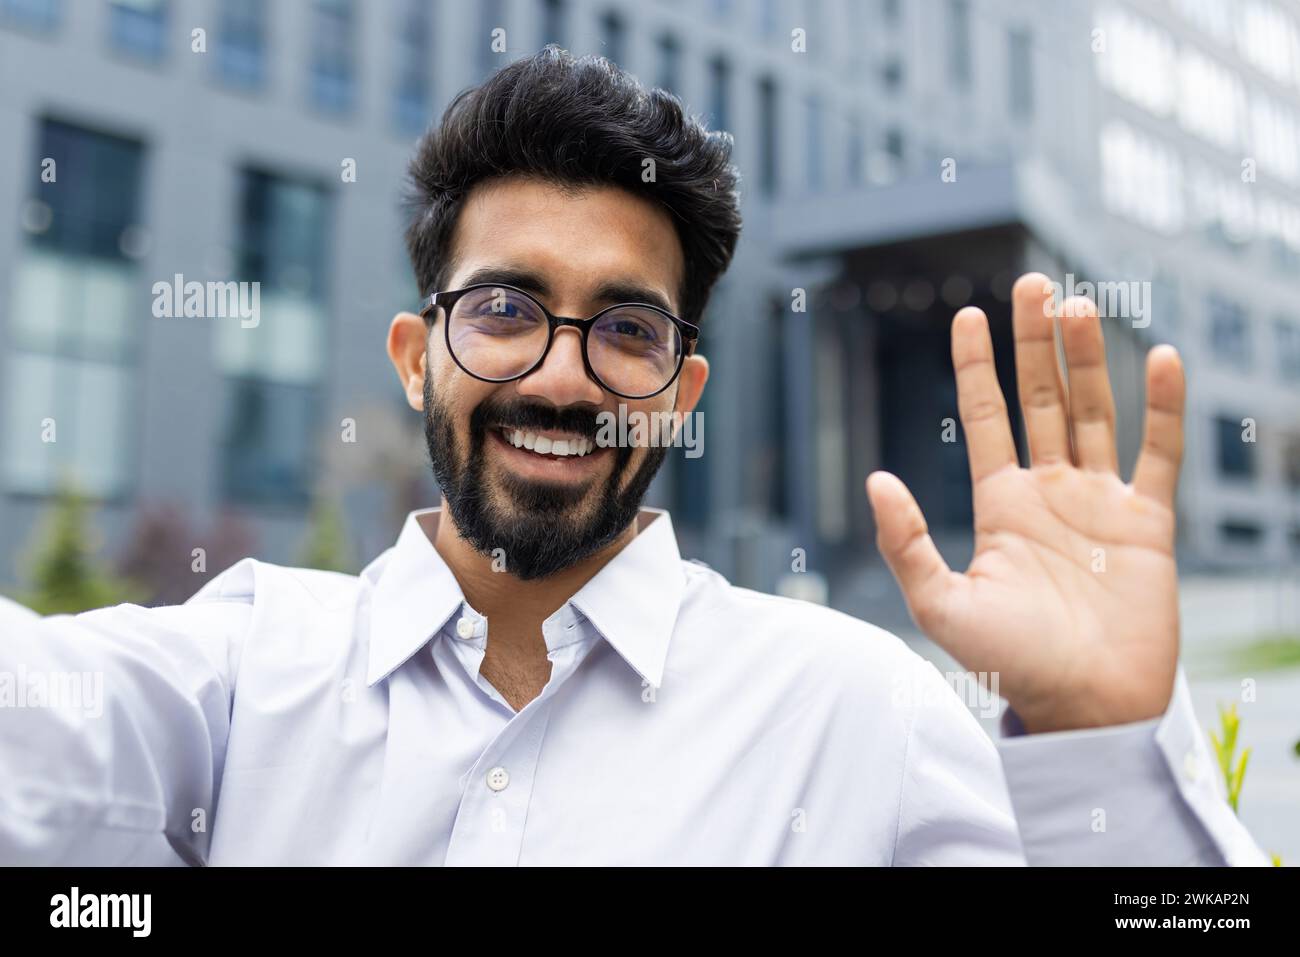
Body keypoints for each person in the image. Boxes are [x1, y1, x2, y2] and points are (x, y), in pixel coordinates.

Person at [0, 47, 1266, 865]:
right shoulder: (227, 680)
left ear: (679, 387)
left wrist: (1102, 744)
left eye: (624, 327)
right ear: (413, 355)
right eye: (501, 309)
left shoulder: (856, 713)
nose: (559, 374)